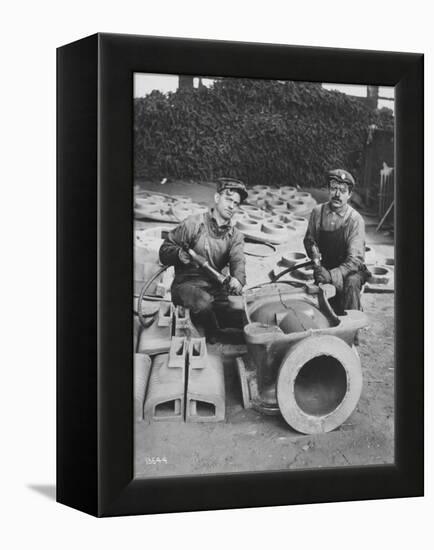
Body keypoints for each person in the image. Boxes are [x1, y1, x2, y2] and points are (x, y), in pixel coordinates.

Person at [159, 178, 247, 339]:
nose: (231, 206)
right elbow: (164, 252)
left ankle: (215, 324)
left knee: (239, 312)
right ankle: (213, 335)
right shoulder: (193, 224)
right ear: (217, 198)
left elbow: (238, 259)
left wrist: (238, 280)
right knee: (204, 304)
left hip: (215, 285)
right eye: (228, 199)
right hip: (185, 284)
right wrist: (179, 254)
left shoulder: (235, 236)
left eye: (236, 203)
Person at [303, 169, 371, 316]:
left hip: (350, 271)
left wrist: (331, 275)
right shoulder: (317, 212)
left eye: (343, 190)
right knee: (317, 310)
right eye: (334, 188)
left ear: (349, 195)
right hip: (326, 266)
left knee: (351, 283)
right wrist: (316, 261)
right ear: (328, 189)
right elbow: (310, 240)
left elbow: (355, 260)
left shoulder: (355, 220)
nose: (337, 194)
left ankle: (352, 331)